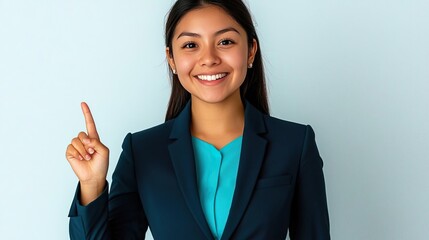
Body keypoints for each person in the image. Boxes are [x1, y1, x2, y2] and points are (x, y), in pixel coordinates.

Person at [66, 0, 330, 239]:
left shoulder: (295, 144)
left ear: (250, 50)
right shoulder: (142, 152)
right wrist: (92, 185)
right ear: (171, 58)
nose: (209, 59)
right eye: (191, 45)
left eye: (225, 42)